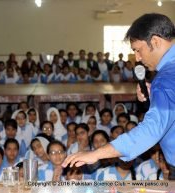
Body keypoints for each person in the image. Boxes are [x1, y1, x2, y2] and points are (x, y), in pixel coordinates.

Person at [62, 13, 175, 180]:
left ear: (156, 41)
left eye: (138, 50)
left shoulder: (165, 78)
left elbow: (152, 129)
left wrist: (98, 153)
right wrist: (157, 96)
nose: (137, 58)